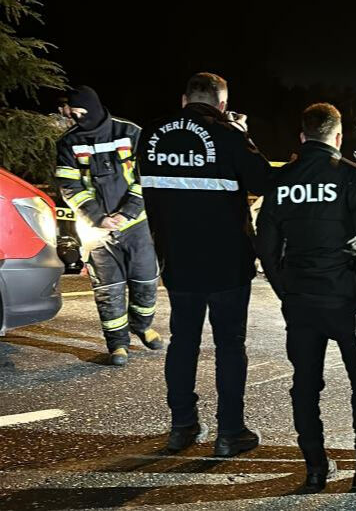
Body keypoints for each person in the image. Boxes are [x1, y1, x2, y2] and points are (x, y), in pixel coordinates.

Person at [256, 103, 356, 493]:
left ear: (302, 137)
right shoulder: (354, 178)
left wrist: (284, 288)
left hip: (301, 298)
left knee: (305, 384)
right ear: (337, 138)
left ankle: (315, 468)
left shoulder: (282, 181)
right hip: (348, 298)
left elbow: (266, 246)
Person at [137, 72, 273, 456]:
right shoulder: (228, 134)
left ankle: (182, 426)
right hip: (227, 261)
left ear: (185, 100)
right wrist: (242, 133)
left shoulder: (152, 134)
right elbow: (263, 180)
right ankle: (230, 433)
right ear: (223, 104)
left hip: (178, 258)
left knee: (183, 342)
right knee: (230, 345)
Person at [54, 86, 162, 366]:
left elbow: (146, 177)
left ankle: (142, 326)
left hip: (135, 225)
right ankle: (117, 344)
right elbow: (69, 185)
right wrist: (98, 217)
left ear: (92, 108)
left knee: (146, 281)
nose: (75, 118)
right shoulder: (68, 142)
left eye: (78, 113)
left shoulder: (130, 133)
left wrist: (127, 213)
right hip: (97, 231)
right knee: (108, 290)